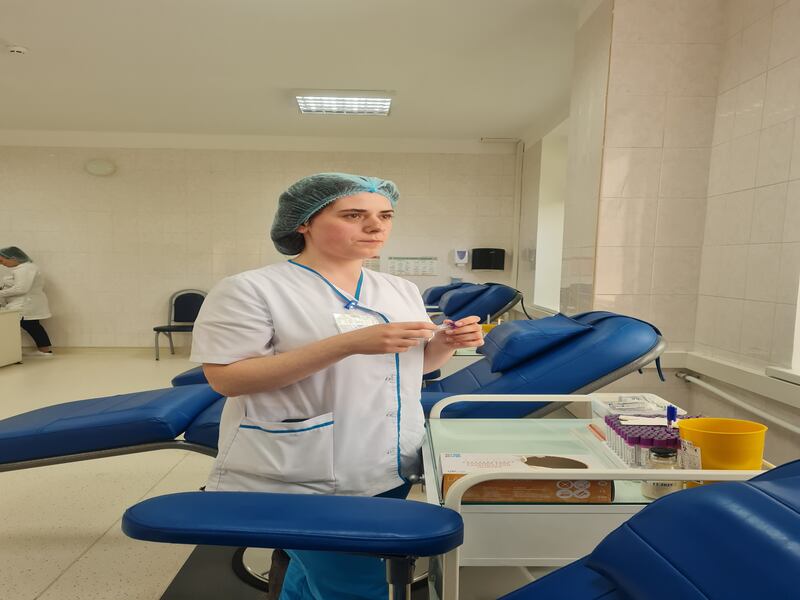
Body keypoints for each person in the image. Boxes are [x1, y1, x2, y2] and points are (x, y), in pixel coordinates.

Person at [190, 173, 484, 599]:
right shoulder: (252, 289)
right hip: (299, 471)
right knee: (354, 585)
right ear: (303, 223)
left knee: (314, 572)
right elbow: (227, 379)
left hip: (387, 459)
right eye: (353, 215)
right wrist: (346, 345)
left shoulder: (399, 288)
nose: (375, 227)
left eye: (384, 215)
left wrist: (445, 344)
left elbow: (412, 368)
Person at [0, 246, 53, 357]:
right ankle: (44, 350)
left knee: (29, 325)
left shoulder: (24, 269)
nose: (1, 264)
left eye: (2, 260)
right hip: (27, 303)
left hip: (25, 304)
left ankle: (12, 353)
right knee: (32, 326)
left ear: (13, 258)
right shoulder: (27, 268)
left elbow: (21, 288)